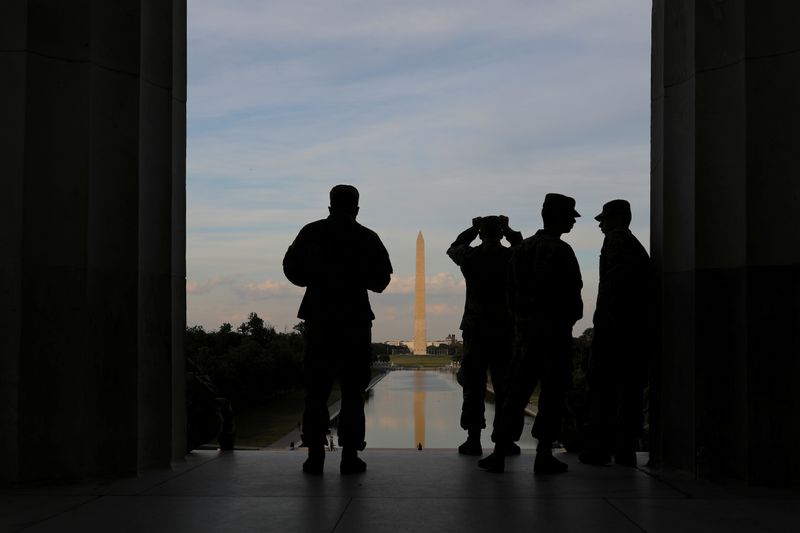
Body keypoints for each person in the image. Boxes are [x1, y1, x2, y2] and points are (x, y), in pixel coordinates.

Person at [283, 185, 393, 475]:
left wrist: (317, 275)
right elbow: (382, 281)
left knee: (316, 391)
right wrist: (356, 274)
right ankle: (350, 456)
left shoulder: (312, 232)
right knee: (354, 392)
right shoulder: (366, 237)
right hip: (354, 321)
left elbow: (291, 268)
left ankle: (315, 455)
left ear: (330, 206)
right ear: (356, 209)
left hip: (319, 319)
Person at [479, 193, 583, 474]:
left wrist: (523, 323)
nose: (572, 223)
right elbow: (575, 302)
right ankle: (543, 454)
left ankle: (499, 453)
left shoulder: (522, 250)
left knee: (514, 394)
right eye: (569, 217)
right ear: (557, 217)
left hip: (524, 337)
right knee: (551, 395)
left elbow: (510, 295)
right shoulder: (562, 251)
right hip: (555, 337)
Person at [579, 199, 650, 467]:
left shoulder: (617, 241)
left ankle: (600, 448)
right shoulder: (631, 244)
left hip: (616, 330)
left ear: (620, 218)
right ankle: (624, 449)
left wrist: (603, 329)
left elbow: (615, 288)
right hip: (630, 331)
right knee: (628, 392)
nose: (600, 224)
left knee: (602, 390)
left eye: (604, 218)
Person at [447, 215, 522, 456]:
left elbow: (454, 247)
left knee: (474, 386)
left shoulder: (471, 257)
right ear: (500, 234)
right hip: (504, 330)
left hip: (476, 330)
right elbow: (522, 248)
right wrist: (508, 229)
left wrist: (472, 228)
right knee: (505, 387)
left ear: (481, 234)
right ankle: (505, 440)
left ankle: (473, 439)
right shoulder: (511, 256)